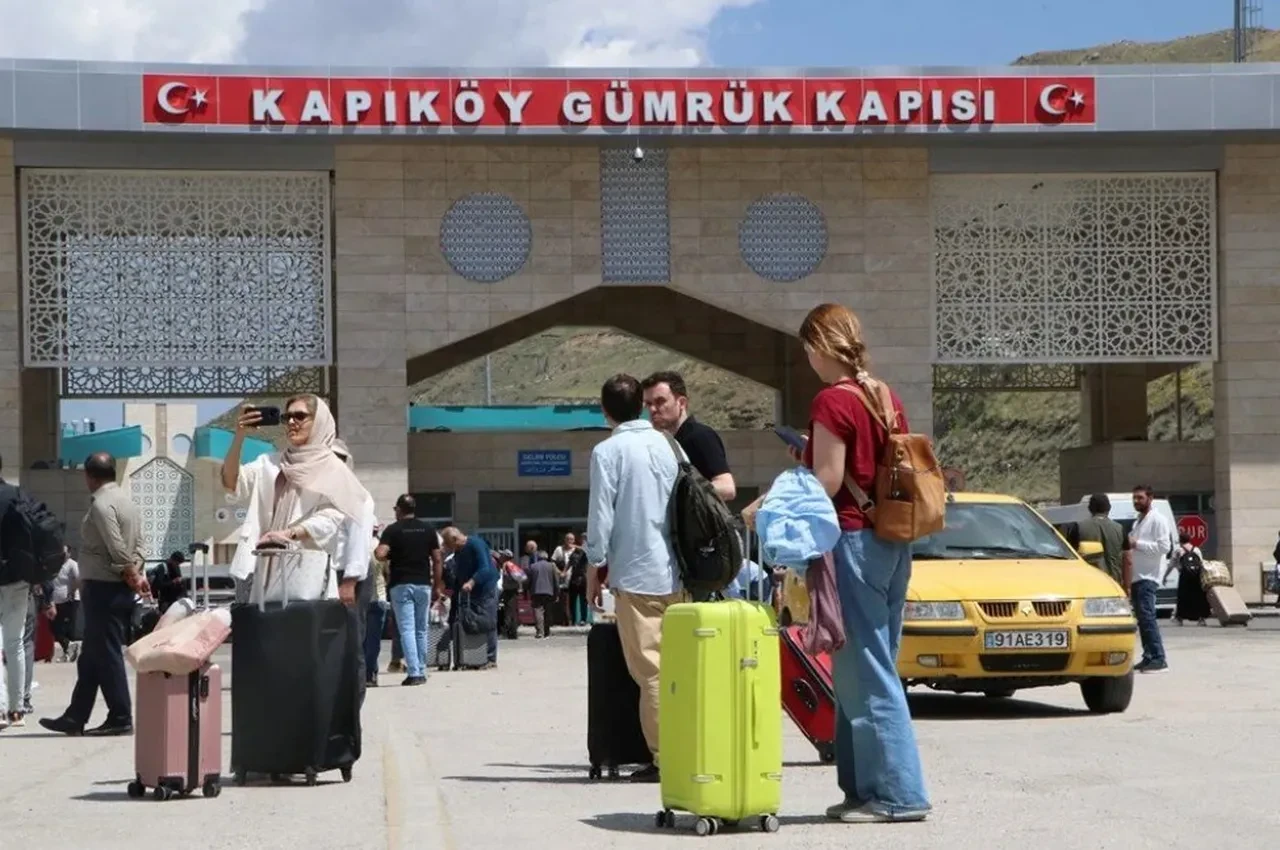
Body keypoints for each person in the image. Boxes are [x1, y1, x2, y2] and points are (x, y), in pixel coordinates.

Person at [789, 303, 931, 823]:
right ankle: (862, 789)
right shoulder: (883, 395)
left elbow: (829, 480)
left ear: (818, 345)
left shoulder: (832, 401)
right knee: (869, 666)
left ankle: (898, 794)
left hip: (852, 540)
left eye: (807, 347)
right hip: (892, 539)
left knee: (865, 672)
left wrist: (777, 500)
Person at [585, 373, 684, 784]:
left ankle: (666, 759)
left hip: (637, 575)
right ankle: (691, 745)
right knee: (680, 668)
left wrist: (594, 568)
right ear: (642, 406)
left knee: (652, 672)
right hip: (677, 573)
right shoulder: (670, 445)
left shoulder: (608, 452)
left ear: (605, 410)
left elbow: (600, 517)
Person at [41, 452, 149, 737]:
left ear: (89, 476)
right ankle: (75, 716)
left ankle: (121, 716)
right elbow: (139, 543)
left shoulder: (101, 505)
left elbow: (115, 545)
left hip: (105, 589)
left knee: (109, 654)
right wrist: (136, 571)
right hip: (118, 588)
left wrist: (131, 573)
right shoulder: (128, 502)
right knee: (90, 657)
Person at [221, 395, 369, 603]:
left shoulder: (334, 470)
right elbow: (231, 482)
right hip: (262, 567)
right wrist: (239, 436)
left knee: (303, 631)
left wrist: (290, 534)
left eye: (299, 416)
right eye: (286, 417)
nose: (291, 422)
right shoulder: (269, 463)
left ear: (318, 421)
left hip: (305, 572)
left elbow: (331, 517)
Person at [375, 495, 443, 686]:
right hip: (423, 584)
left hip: (401, 584)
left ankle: (414, 673)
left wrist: (386, 553)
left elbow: (380, 554)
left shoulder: (392, 530)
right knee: (421, 629)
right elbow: (437, 559)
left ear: (398, 509)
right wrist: (437, 585)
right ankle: (421, 668)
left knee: (406, 629)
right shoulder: (428, 529)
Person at [641, 371, 736, 501]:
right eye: (648, 404)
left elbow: (727, 488)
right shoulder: (666, 441)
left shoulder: (700, 436)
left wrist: (677, 492)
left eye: (660, 401)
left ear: (681, 403)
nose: (652, 409)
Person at [331, 439, 376, 702]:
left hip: (349, 577)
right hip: (328, 575)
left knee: (351, 642)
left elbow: (359, 541)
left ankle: (351, 706)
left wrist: (349, 581)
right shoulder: (325, 494)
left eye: (339, 459)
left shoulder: (356, 495)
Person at [1128, 485, 1177, 674]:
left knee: (1148, 618)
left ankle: (1158, 658)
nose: (1136, 501)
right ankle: (1148, 656)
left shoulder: (1158, 520)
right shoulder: (1138, 521)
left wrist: (1137, 544)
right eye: (1134, 498)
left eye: (1140, 498)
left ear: (1150, 498)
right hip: (1137, 576)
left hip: (1148, 577)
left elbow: (1164, 547)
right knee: (1142, 619)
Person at [0, 457, 34, 728]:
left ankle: (0, 710)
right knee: (15, 643)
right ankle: (17, 710)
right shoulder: (18, 496)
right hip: (18, 579)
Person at [440, 527, 500, 669]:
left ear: (455, 540)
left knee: (487, 621)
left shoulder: (475, 544)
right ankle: (473, 658)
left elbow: (485, 568)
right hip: (469, 592)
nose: (448, 548)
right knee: (471, 622)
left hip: (485, 588)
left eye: (448, 544)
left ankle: (490, 658)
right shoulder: (458, 552)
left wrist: (472, 582)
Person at [1075, 494, 1130, 586]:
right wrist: (1127, 586)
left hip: (1089, 582)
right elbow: (1128, 559)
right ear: (1109, 508)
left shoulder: (1078, 527)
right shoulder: (1120, 528)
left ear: (1090, 509)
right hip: (1114, 582)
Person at [1164, 531, 1210, 627]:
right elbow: (1201, 563)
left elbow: (1171, 565)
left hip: (1184, 577)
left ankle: (1179, 618)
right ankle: (1201, 619)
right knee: (1198, 597)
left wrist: (1165, 576)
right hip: (1196, 577)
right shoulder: (1196, 550)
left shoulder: (1178, 551)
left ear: (1180, 540)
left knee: (1183, 597)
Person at [365, 527, 390, 687]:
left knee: (360, 639)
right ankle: (371, 673)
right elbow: (388, 572)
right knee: (374, 640)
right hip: (379, 597)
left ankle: (361, 673)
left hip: (361, 599)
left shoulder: (359, 546)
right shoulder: (381, 549)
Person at [50, 548, 82, 662]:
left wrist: (72, 591)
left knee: (66, 628)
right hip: (55, 601)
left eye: (64, 553)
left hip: (70, 601)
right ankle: (69, 647)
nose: (62, 555)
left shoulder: (72, 565)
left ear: (69, 553)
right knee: (54, 628)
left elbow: (79, 579)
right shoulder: (55, 564)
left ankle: (67, 652)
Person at [527, 551, 559, 639]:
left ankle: (540, 632)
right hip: (549, 592)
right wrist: (557, 593)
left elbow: (529, 581)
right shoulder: (552, 566)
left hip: (536, 591)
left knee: (538, 611)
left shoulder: (533, 566)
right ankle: (547, 632)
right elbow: (556, 581)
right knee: (548, 612)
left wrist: (527, 591)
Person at [151, 551, 189, 615]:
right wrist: (173, 582)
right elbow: (158, 585)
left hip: (176, 600)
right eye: (177, 563)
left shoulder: (176, 567)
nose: (177, 565)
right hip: (165, 600)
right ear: (172, 560)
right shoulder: (162, 568)